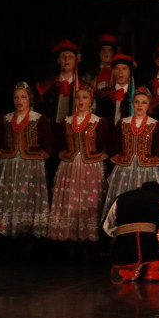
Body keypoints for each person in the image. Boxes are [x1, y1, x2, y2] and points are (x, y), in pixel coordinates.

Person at [0, 82, 53, 238]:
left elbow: (47, 144)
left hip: (31, 165)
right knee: (8, 199)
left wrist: (43, 154)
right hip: (9, 165)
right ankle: (6, 234)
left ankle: (27, 236)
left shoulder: (39, 119)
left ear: (30, 99)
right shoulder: (6, 119)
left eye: (23, 97)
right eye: (16, 97)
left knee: (28, 199)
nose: (19, 100)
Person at [48, 83, 109, 242]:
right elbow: (60, 144)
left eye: (85, 97)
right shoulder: (67, 122)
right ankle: (69, 239)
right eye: (78, 98)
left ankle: (89, 240)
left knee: (90, 203)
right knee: (70, 203)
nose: (81, 101)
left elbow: (106, 145)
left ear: (91, 101)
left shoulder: (99, 122)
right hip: (69, 168)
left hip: (91, 167)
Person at [102, 181, 159, 283]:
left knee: (124, 241)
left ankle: (126, 270)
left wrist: (117, 237)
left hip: (122, 246)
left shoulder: (121, 198)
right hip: (150, 245)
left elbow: (107, 226)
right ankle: (152, 271)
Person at [103, 87, 159, 216]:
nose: (139, 105)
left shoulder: (155, 124)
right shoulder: (123, 122)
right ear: (132, 103)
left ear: (149, 104)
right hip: (125, 168)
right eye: (137, 102)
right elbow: (115, 145)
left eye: (143, 102)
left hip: (147, 169)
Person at [36, 39, 81, 124]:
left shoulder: (83, 87)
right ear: (58, 60)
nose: (66, 59)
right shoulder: (46, 86)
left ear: (76, 61)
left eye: (70, 57)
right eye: (63, 56)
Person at [94, 52, 136, 127]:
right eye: (117, 68)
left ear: (129, 72)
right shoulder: (103, 94)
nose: (120, 72)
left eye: (124, 68)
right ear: (113, 71)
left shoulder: (135, 95)